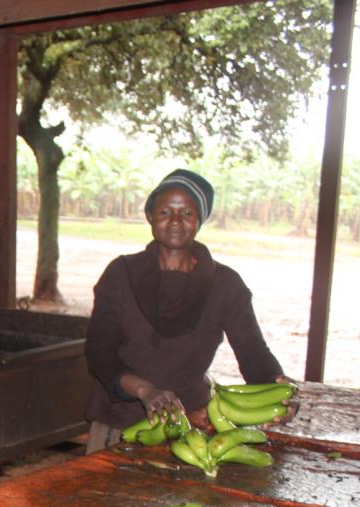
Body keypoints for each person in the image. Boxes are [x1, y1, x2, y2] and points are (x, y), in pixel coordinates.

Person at [84, 168, 291, 453]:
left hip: (191, 423)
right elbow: (100, 351)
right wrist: (145, 390)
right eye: (165, 212)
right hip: (119, 424)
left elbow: (252, 352)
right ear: (150, 217)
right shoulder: (121, 274)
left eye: (187, 213)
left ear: (200, 220)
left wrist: (276, 387)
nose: (176, 221)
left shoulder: (225, 284)